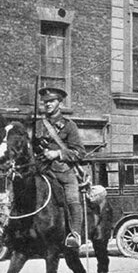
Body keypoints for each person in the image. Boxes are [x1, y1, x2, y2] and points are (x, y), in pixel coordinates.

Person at [34, 87, 86, 249]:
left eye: (51, 101)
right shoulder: (38, 125)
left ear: (59, 103)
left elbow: (79, 153)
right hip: (42, 169)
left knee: (72, 199)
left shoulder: (69, 126)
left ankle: (75, 234)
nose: (48, 104)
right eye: (45, 102)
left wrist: (57, 153)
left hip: (63, 172)